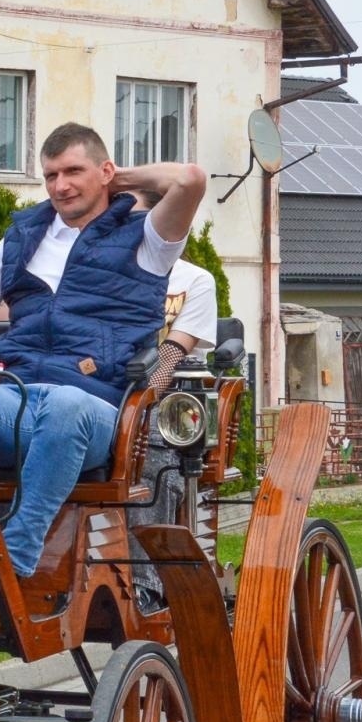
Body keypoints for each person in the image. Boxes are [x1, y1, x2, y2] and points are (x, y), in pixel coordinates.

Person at [0, 123, 206, 577]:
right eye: (50, 176)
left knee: (66, 407)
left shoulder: (146, 238)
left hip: (99, 407)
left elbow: (191, 179)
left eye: (73, 171)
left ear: (104, 171)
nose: (60, 186)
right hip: (18, 392)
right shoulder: (23, 238)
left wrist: (116, 179)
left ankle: (17, 552)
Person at [127, 187, 219, 610]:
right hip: (113, 396)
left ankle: (146, 583)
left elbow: (170, 355)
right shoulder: (100, 277)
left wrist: (136, 404)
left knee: (151, 459)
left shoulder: (194, 280)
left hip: (170, 405)